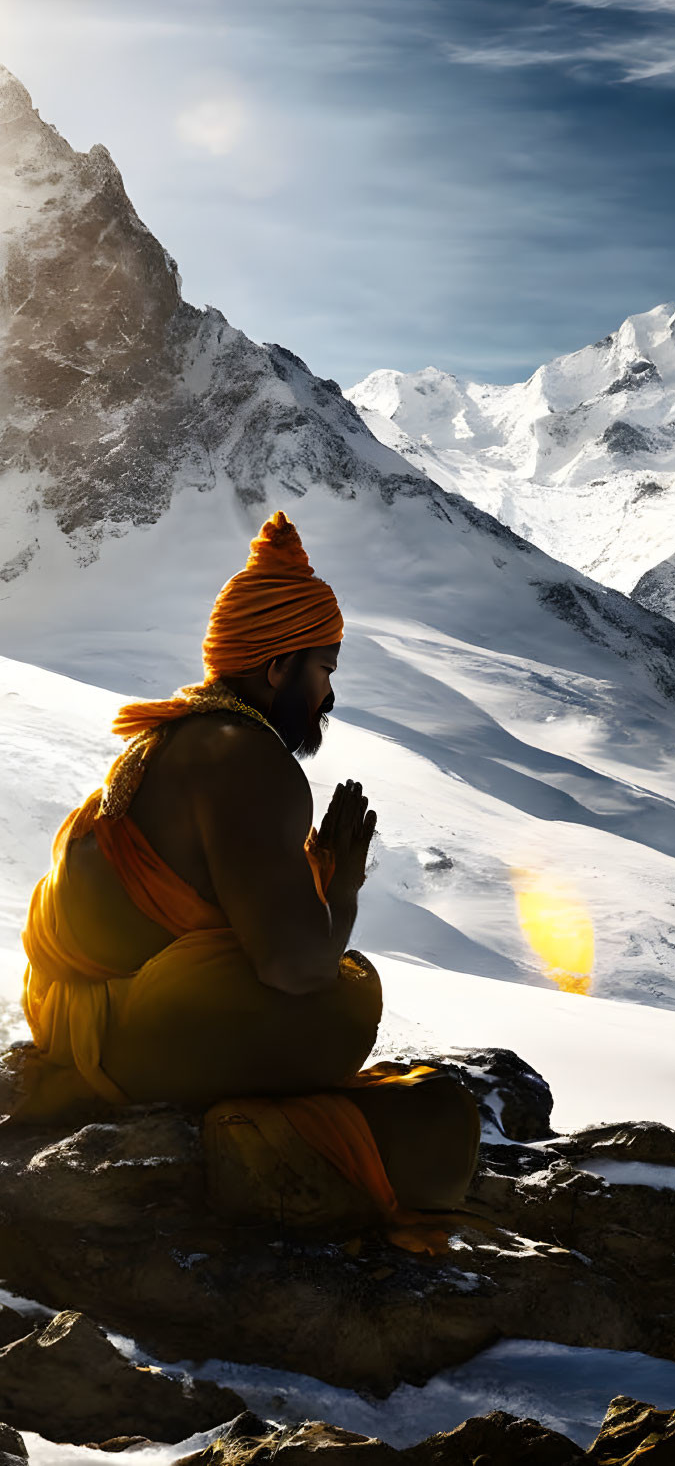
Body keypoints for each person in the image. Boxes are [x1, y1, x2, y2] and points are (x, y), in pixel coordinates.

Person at [11, 512, 478, 1239]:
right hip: (142, 1046)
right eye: (323, 669)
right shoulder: (248, 758)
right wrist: (343, 887)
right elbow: (295, 967)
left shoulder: (170, 738)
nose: (328, 695)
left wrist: (309, 879)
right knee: (397, 1061)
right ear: (277, 667)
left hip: (73, 1025)